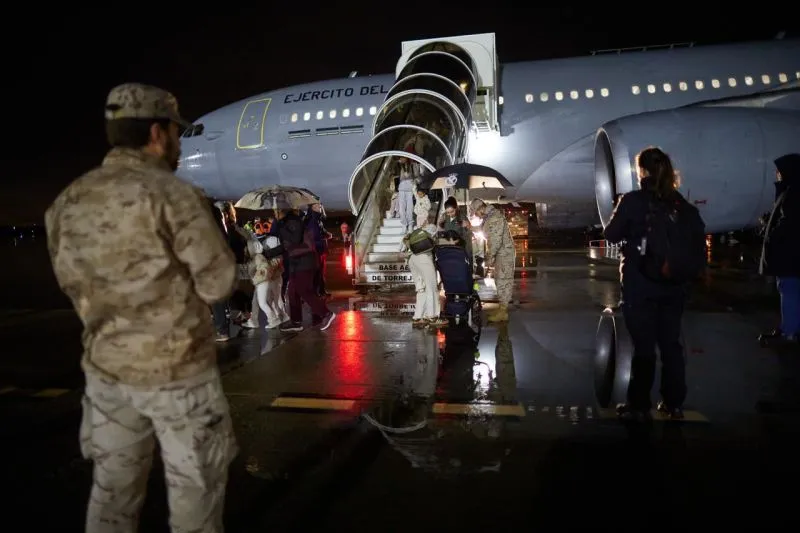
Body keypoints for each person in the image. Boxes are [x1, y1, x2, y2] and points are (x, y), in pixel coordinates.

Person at [44, 83, 238, 532]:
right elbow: (219, 282)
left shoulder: (68, 201)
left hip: (107, 374)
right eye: (175, 132)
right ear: (156, 133)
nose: (178, 144)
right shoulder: (171, 193)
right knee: (194, 493)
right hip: (179, 376)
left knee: (112, 493)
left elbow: (70, 282)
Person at [604, 146, 689, 422]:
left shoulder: (632, 201)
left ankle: (639, 405)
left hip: (640, 285)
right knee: (671, 346)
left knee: (644, 347)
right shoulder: (678, 202)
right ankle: (674, 404)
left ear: (641, 171)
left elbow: (611, 234)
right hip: (673, 285)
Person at [758, 153, 800, 345]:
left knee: (788, 289)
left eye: (780, 171)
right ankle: (788, 327)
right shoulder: (791, 190)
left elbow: (789, 223)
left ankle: (790, 331)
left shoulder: (794, 193)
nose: (777, 174)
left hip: (789, 253)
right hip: (791, 253)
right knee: (790, 289)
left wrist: (771, 232)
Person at [469, 198, 515, 322]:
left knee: (503, 281)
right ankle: (502, 309)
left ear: (480, 209)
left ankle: (503, 312)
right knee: (500, 280)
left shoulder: (494, 218)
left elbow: (495, 242)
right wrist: (470, 227)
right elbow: (483, 228)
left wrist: (489, 258)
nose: (477, 216)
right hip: (501, 253)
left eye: (476, 213)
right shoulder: (489, 217)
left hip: (504, 254)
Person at [248, 237, 289, 328]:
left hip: (274, 278)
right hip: (271, 278)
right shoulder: (266, 254)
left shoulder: (269, 255)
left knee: (275, 300)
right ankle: (280, 316)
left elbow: (274, 264)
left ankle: (280, 317)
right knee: (272, 299)